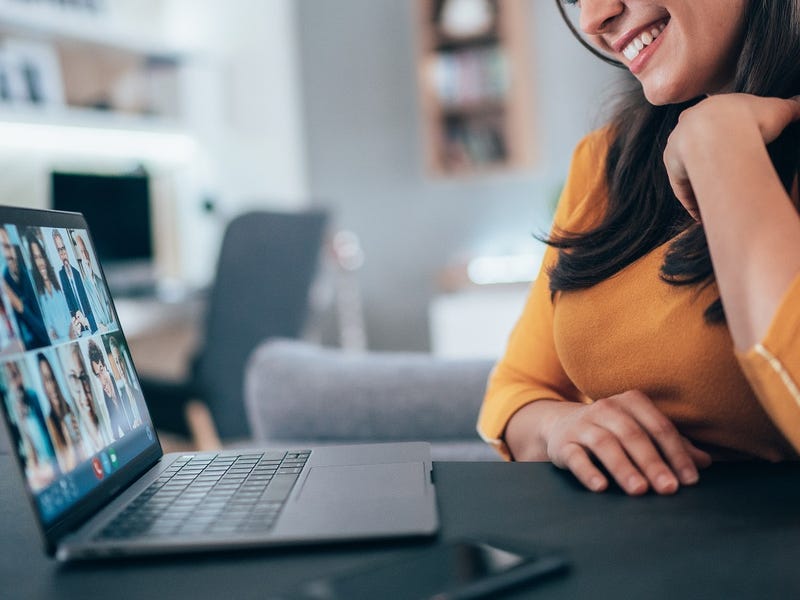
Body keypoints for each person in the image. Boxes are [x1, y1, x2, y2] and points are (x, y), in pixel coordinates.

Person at [478, 1, 800, 496]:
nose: (593, 18)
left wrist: (721, 145)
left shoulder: (722, 143)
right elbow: (516, 391)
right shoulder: (607, 160)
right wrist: (559, 428)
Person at [3, 360, 59, 490]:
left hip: (52, 458)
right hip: (38, 467)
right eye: (12, 378)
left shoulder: (33, 396)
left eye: (17, 375)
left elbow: (48, 428)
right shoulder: (12, 410)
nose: (17, 383)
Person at [25, 232, 86, 342]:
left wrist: (74, 329)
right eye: (36, 258)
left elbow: (69, 324)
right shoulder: (36, 293)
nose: (41, 262)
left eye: (41, 256)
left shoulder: (57, 288)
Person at [0, 226, 48, 350]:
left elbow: (45, 334)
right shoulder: (6, 278)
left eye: (7, 246)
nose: (6, 254)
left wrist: (19, 305)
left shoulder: (28, 277)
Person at [38, 352, 87, 473]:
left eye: (52, 378)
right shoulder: (49, 422)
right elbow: (65, 470)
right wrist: (70, 443)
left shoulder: (71, 409)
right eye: (46, 380)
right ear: (43, 385)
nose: (52, 385)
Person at [60, 342, 108, 452]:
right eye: (74, 379)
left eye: (83, 377)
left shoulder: (108, 415)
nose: (82, 391)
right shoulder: (75, 442)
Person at [52, 230, 97, 335]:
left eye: (63, 249)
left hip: (91, 327)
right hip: (77, 331)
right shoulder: (59, 277)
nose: (63, 253)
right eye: (59, 250)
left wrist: (89, 323)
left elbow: (88, 304)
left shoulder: (77, 273)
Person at [88, 339, 133, 440]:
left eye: (102, 370)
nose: (102, 381)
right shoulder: (106, 395)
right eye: (97, 375)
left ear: (105, 367)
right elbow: (111, 417)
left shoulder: (122, 391)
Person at [73, 234, 113, 331]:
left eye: (85, 251)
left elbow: (110, 309)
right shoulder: (82, 287)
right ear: (79, 258)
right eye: (82, 252)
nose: (85, 255)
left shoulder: (100, 282)